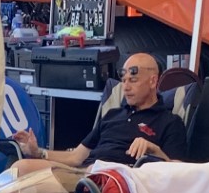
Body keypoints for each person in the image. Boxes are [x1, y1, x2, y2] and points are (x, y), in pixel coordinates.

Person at [10, 53, 188, 168]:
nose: (125, 87)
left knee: (24, 175)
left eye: (133, 80)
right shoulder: (112, 115)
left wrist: (153, 150)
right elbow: (76, 157)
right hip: (85, 173)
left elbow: (178, 173)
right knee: (19, 168)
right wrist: (38, 152)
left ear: (152, 81)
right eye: (124, 80)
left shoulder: (169, 122)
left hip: (117, 181)